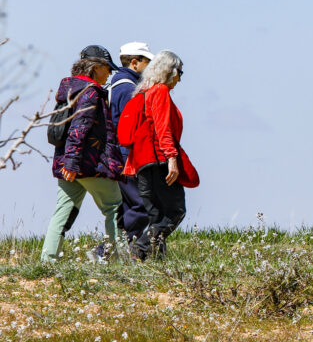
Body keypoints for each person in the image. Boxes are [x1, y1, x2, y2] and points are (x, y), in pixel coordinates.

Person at [39, 55, 124, 262]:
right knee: (115, 208)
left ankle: (48, 261)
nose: (110, 73)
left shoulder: (69, 90)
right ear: (95, 67)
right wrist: (73, 162)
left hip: (68, 162)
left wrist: (69, 162)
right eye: (107, 68)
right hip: (90, 163)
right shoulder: (90, 91)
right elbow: (80, 127)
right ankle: (118, 260)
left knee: (64, 211)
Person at [118, 50, 197, 261]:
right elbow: (163, 129)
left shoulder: (142, 93)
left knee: (156, 216)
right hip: (158, 161)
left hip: (140, 163)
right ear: (168, 71)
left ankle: (156, 263)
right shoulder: (160, 91)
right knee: (175, 211)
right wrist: (172, 159)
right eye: (179, 72)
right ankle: (139, 249)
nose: (180, 78)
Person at [104, 41, 153, 257]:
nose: (151, 67)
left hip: (120, 154)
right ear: (135, 62)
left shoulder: (117, 84)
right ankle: (115, 251)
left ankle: (111, 252)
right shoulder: (127, 88)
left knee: (128, 207)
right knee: (141, 204)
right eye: (147, 62)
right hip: (127, 156)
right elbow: (129, 126)